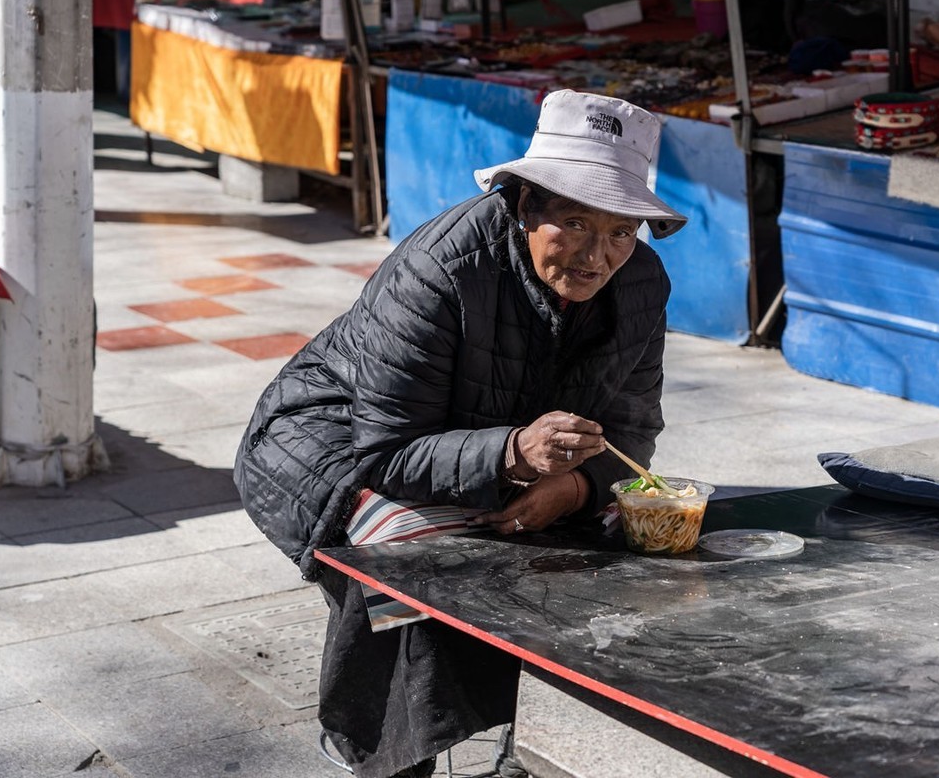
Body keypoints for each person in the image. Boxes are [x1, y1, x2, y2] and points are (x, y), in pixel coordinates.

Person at [234, 89, 687, 778]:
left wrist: (565, 489)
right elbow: (385, 450)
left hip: (484, 445)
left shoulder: (641, 285)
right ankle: (382, 753)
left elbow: (631, 430)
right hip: (330, 445)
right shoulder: (439, 270)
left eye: (621, 231)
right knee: (421, 571)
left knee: (593, 550)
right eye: (574, 222)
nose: (599, 256)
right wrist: (512, 453)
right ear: (524, 205)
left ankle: (530, 745)